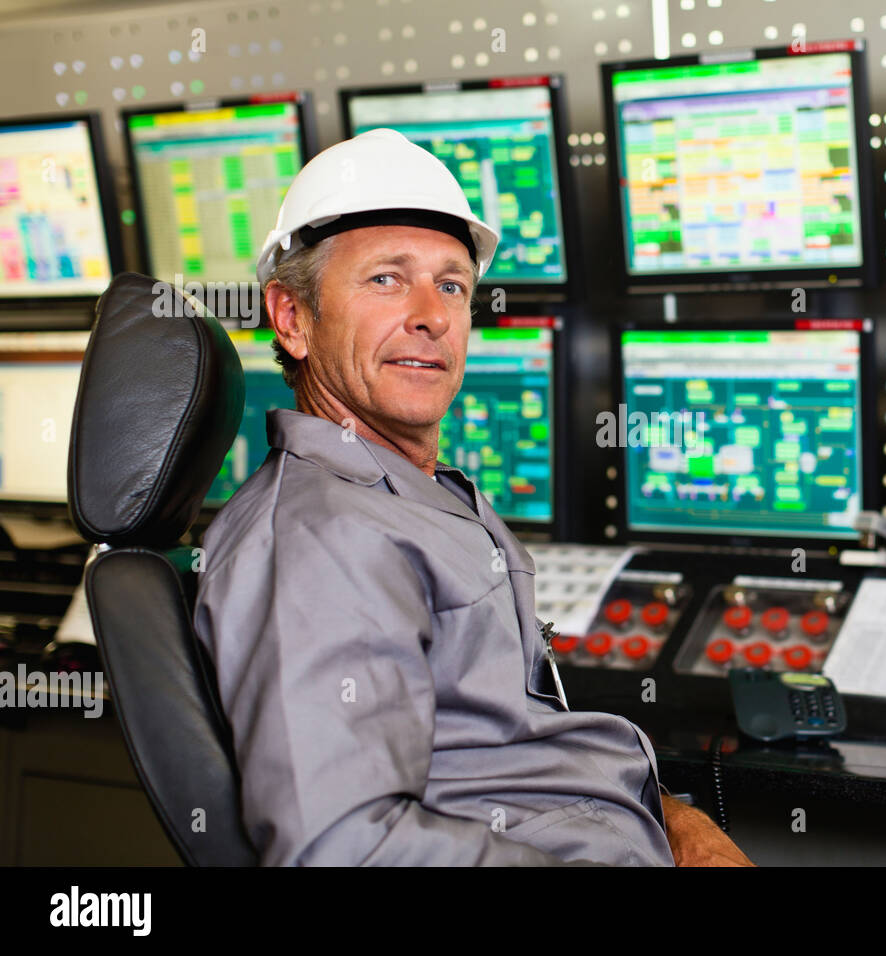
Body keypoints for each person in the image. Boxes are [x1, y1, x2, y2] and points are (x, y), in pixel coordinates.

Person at [193, 128, 753, 866]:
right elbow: (345, 849)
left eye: (451, 284)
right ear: (292, 318)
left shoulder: (411, 491)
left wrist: (677, 823)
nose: (431, 314)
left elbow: (521, 759)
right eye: (386, 280)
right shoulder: (318, 540)